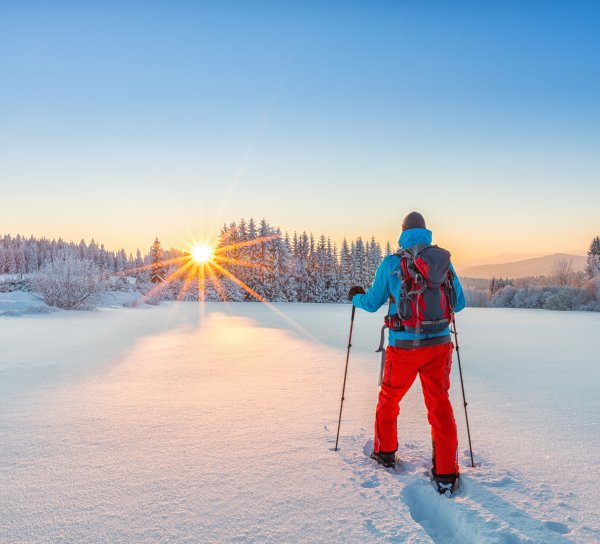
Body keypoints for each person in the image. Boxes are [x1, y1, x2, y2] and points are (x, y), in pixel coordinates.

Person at [348, 211, 465, 494]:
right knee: (439, 405)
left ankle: (385, 452)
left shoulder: (392, 263)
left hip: (403, 347)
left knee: (389, 398)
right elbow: (459, 303)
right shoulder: (443, 262)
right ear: (426, 232)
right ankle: (446, 472)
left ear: (402, 231)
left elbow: (373, 302)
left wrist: (355, 297)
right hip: (439, 346)